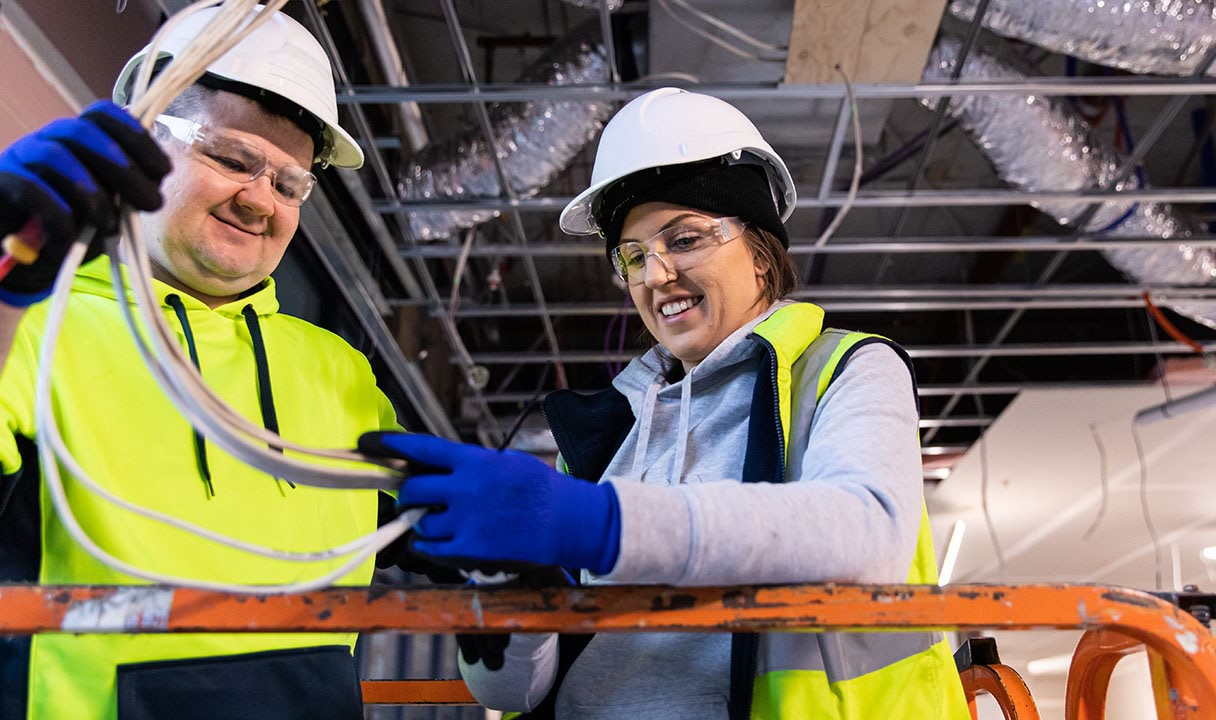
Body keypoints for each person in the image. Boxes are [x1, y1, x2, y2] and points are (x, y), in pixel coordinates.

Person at [366, 88, 972, 719]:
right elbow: (509, 693)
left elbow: (867, 533)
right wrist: (509, 592)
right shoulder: (608, 435)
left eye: (683, 239)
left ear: (761, 255)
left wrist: (599, 523)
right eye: (632, 256)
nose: (654, 276)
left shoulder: (845, 369)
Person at [0, 9, 401, 719]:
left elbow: (450, 544)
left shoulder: (342, 373)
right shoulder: (25, 327)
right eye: (233, 158)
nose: (259, 201)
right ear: (145, 137)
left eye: (289, 184)